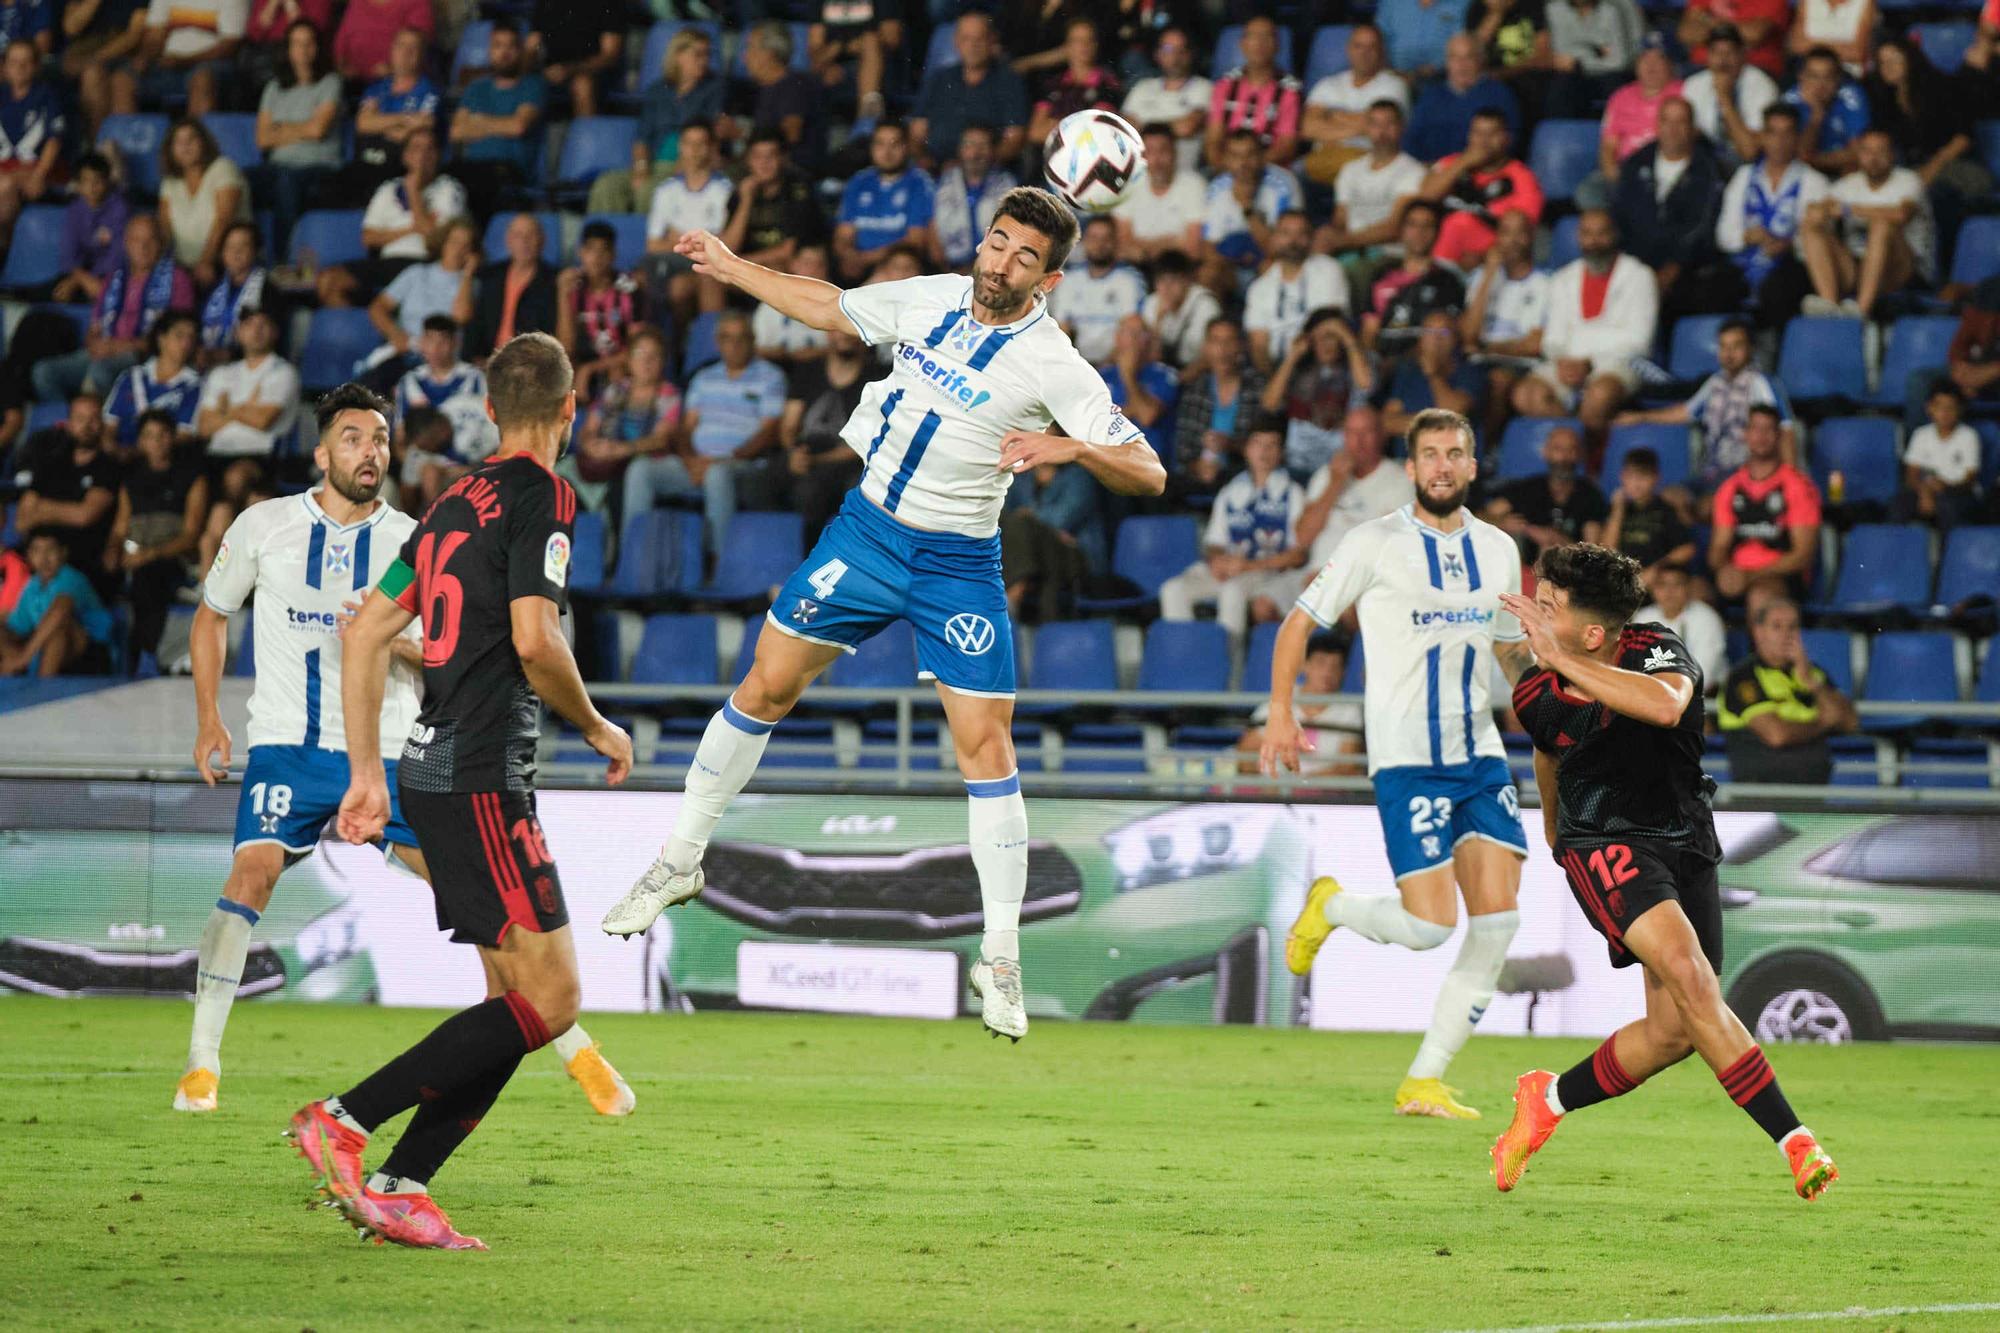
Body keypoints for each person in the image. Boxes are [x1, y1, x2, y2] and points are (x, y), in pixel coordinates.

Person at [600, 189, 1168, 1049]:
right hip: (866, 533)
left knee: (987, 746)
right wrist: (729, 265)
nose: (999, 262)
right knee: (764, 684)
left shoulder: (1056, 364)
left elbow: (1150, 471)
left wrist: (1076, 445)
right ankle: (680, 860)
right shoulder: (931, 295)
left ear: (1047, 280)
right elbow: (829, 306)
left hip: (958, 567)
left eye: (1022, 256)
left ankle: (1002, 955)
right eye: (997, 241)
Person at [306, 348, 638, 1247]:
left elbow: (369, 628)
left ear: (490, 409)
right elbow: (536, 638)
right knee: (555, 996)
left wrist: (367, 773)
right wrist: (599, 725)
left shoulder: (452, 500)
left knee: (510, 1004)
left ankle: (402, 1184)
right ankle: (344, 1117)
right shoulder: (547, 495)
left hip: (430, 767)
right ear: (570, 408)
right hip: (487, 773)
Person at [1495, 544, 1838, 1203]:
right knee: (1689, 973)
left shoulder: (1657, 647)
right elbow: (1548, 758)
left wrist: (1562, 658)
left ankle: (1548, 1098)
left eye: (1549, 608)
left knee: (1675, 1030)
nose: (1534, 617)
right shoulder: (1536, 691)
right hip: (1602, 842)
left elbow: (1663, 706)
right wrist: (1554, 833)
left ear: (1593, 633)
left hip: (1684, 838)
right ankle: (1796, 1142)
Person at [1267, 407, 1531, 1120]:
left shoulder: (1502, 549)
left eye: (1456, 453)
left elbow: (1510, 647)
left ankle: (1424, 1078)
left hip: (1479, 755)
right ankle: (1334, 906)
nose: (1444, 466)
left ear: (1473, 466)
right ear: (1410, 470)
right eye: (1430, 455)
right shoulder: (1373, 542)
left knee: (1500, 922)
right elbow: (1299, 621)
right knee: (1430, 926)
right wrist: (1284, 710)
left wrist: (1549, 698)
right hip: (1408, 761)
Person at [623, 310, 785, 553]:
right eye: (727, 338)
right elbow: (686, 429)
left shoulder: (771, 377)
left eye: (742, 338)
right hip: (697, 465)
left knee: (717, 474)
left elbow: (769, 432)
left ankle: (719, 564)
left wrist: (726, 459)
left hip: (743, 466)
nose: (735, 345)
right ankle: (632, 556)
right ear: (718, 342)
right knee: (641, 470)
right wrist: (690, 461)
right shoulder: (703, 377)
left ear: (753, 340)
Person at [1511, 210, 1657, 441]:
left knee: (1599, 396)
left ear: (1615, 235)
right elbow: (1553, 339)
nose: (1594, 242)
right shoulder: (1563, 278)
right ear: (1578, 237)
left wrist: (1586, 357)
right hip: (1567, 361)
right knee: (1526, 395)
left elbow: (1639, 340)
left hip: (1618, 362)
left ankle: (1589, 460)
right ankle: (1574, 447)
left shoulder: (1639, 276)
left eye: (1602, 234)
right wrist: (1563, 361)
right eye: (1587, 234)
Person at [1159, 422, 1307, 637]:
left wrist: (1249, 565)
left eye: (1272, 445)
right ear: (1247, 449)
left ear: (1281, 453)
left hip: (1267, 572)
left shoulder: (1293, 493)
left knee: (1232, 592)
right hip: (1232, 569)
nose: (1264, 452)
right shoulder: (1230, 491)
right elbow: (1214, 544)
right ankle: (1185, 657)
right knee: (1172, 590)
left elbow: (1297, 556)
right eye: (1258, 444)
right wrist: (1218, 561)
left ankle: (1231, 667)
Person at [1618, 318, 1796, 497]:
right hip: (1710, 472)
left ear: (1750, 348)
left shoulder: (1762, 383)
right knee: (1671, 498)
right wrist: (1641, 416)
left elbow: (1785, 430)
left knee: (1709, 506)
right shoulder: (1715, 382)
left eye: (1736, 346)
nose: (1729, 353)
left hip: (1746, 474)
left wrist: (1790, 484)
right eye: (1724, 346)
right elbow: (1686, 412)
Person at [34, 212, 194, 404]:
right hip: (104, 352)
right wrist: (95, 343)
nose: (143, 247)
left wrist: (121, 346)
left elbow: (180, 337)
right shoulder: (114, 279)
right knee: (44, 372)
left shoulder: (177, 279)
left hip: (144, 356)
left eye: (150, 241)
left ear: (161, 243)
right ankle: (71, 423)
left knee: (100, 371)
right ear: (126, 243)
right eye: (136, 240)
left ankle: (101, 426)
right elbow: (95, 328)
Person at [1715, 594, 1856, 783]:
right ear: (1758, 632)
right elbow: (1776, 735)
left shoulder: (1813, 673)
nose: (1787, 634)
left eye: (1793, 626)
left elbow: (1850, 722)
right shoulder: (1742, 677)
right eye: (1777, 626)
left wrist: (1812, 684)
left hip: (1813, 792)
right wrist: (1822, 723)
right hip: (1761, 795)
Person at [105, 408, 207, 667]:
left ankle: (142, 655)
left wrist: (150, 554)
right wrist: (112, 551)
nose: (157, 442)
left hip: (172, 558)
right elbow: (119, 528)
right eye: (150, 436)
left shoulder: (192, 478)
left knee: (148, 578)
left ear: (172, 438)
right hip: (134, 555)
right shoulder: (131, 480)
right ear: (141, 441)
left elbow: (191, 535)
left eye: (163, 435)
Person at [1610, 96, 1727, 320]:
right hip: (1636, 266)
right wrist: (1634, 271)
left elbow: (1704, 228)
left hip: (1687, 271)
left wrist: (1673, 268)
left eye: (1681, 122)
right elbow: (1619, 218)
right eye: (1666, 121)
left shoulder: (1710, 172)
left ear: (1693, 129)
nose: (1672, 130)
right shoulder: (1635, 164)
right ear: (1657, 125)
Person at [587, 27, 723, 216]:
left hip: (686, 165)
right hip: (653, 165)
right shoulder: (657, 90)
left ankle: (648, 244)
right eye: (698, 54)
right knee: (607, 185)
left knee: (649, 191)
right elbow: (642, 138)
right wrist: (641, 169)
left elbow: (708, 134)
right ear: (679, 55)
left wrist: (684, 167)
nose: (704, 60)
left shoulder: (714, 89)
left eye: (707, 54)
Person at [1799, 127, 1932, 320]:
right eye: (1867, 151)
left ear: (1892, 154)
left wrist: (1848, 210)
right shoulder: (1849, 183)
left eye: (1881, 151)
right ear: (1858, 154)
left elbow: (1901, 214)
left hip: (1903, 270)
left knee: (1881, 226)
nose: (1873, 157)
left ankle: (1861, 312)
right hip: (1858, 269)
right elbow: (1816, 210)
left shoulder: (1909, 180)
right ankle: (1829, 305)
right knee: (1811, 227)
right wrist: (1820, 212)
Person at [194, 303, 296, 545]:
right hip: (215, 454)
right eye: (249, 325)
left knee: (236, 478)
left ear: (275, 332)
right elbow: (204, 427)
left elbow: (263, 421)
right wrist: (245, 409)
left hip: (260, 456)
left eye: (263, 325)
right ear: (238, 332)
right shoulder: (221, 374)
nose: (256, 331)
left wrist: (225, 409)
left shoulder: (283, 372)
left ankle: (219, 537)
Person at [781, 324, 883, 547]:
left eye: (853, 329)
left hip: (851, 463)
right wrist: (793, 452)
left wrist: (816, 461)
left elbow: (866, 443)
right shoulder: (808, 371)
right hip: (804, 456)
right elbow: (789, 426)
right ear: (828, 332)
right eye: (840, 328)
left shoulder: (878, 378)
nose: (845, 335)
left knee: (842, 489)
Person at [564, 324, 680, 514]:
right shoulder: (615, 390)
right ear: (629, 360)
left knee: (621, 485)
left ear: (663, 361)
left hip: (639, 462)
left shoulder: (668, 396)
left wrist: (621, 450)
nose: (646, 361)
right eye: (640, 354)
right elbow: (589, 428)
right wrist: (590, 444)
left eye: (654, 356)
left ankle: (621, 542)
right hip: (604, 457)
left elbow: (661, 440)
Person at [1708, 404, 1820, 600]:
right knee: (1695, 594)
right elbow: (1719, 547)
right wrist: (1724, 569)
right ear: (1746, 434)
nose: (1761, 436)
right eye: (1756, 428)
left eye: (1768, 429)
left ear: (1778, 436)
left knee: (1760, 595)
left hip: (1780, 577)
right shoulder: (1730, 487)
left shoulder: (1797, 486)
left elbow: (1803, 555)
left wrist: (1751, 575)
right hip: (1736, 576)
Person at [252, 18, 341, 257]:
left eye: (308, 43)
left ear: (317, 48)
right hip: (277, 166)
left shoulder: (329, 83)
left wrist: (280, 129)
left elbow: (318, 130)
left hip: (318, 168)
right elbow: (262, 139)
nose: (302, 50)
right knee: (236, 180)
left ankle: (285, 261)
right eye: (296, 43)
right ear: (288, 49)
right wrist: (302, 128)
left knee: (286, 182)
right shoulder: (274, 87)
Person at [1294, 405, 1414, 574]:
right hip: (1313, 573)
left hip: (1363, 577)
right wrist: (1334, 484)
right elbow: (1303, 538)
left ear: (1381, 436)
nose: (1359, 441)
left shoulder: (1400, 480)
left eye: (1367, 432)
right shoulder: (1326, 475)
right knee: (1265, 599)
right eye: (1351, 433)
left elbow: (1394, 549)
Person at [1417, 107, 1543, 268]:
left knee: (1461, 221)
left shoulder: (1523, 179)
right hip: (1433, 256)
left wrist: (1482, 257)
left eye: (1492, 134)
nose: (1484, 141)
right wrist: (1463, 163)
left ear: (1506, 139)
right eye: (1478, 133)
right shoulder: (1452, 163)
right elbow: (1424, 198)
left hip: (1488, 264)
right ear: (1469, 136)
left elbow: (1520, 237)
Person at [14, 395, 117, 588]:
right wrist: (64, 512)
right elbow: (22, 520)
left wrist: (43, 510)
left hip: (83, 561)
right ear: (68, 423)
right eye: (80, 419)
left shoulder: (108, 467)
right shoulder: (51, 462)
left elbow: (84, 516)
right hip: (36, 560)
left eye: (93, 419)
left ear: (102, 423)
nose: (87, 426)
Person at [394, 315, 494, 508]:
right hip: (425, 459)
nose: (436, 349)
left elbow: (491, 426)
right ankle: (411, 528)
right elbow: (400, 439)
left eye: (443, 342)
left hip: (471, 458)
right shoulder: (409, 382)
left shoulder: (475, 378)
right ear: (422, 343)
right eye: (430, 341)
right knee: (422, 470)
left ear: (455, 342)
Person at [1262, 307, 1373, 478]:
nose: (1325, 344)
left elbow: (1366, 386)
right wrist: (1292, 357)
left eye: (1331, 337)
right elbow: (1269, 404)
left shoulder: (1358, 361)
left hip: (1344, 464)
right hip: (1297, 465)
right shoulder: (1297, 367)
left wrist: (1348, 338)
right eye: (1318, 338)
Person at [1237, 628, 1364, 777]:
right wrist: (1269, 786)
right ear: (1305, 665)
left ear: (1343, 672)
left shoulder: (1349, 711)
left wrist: (1301, 786)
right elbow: (1245, 751)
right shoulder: (1281, 698)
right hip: (1271, 790)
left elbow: (1346, 768)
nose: (1327, 673)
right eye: (1320, 663)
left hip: (1321, 794)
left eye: (1335, 666)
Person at [447, 24, 547, 212]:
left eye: (511, 47)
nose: (504, 53)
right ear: (490, 50)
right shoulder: (476, 88)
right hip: (470, 169)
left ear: (520, 50)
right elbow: (456, 131)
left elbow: (518, 126)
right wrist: (501, 124)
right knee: (445, 179)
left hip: (510, 171)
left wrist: (477, 122)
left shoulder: (533, 86)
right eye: (498, 46)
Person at [909, 12, 1027, 169]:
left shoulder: (1009, 81)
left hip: (986, 172)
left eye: (980, 38)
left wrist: (969, 167)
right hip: (936, 170)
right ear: (956, 42)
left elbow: (1014, 140)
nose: (973, 45)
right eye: (966, 39)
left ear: (992, 41)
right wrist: (926, 162)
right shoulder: (939, 79)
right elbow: (917, 133)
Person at [1319, 100, 1427, 269]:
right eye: (1375, 124)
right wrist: (1328, 237)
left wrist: (1344, 241)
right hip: (1348, 250)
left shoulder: (1413, 171)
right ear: (1366, 128)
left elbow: (1394, 227)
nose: (1382, 132)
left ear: (1401, 127)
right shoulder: (1350, 170)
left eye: (1389, 124)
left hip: (1388, 255)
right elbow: (1340, 219)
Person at [643, 119, 732, 322]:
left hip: (708, 265)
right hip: (673, 263)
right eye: (689, 144)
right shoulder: (665, 191)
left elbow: (720, 244)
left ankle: (698, 344)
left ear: (711, 148)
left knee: (684, 286)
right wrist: (696, 240)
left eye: (701, 144)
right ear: (681, 147)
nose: (694, 150)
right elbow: (653, 245)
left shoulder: (725, 190)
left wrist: (677, 237)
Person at [1299, 22, 1409, 188]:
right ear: (1348, 49)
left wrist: (1331, 116)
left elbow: (1380, 128)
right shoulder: (1328, 84)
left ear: (1381, 51)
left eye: (1371, 47)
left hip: (1371, 159)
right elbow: (1307, 128)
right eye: (1358, 46)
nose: (1364, 53)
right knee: (1290, 174)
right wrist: (1361, 125)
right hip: (1323, 160)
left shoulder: (1394, 85)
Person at [1243, 211, 1350, 375]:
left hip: (1317, 367)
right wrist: (1273, 381)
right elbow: (1259, 346)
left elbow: (1328, 326)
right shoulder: (1259, 287)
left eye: (1301, 234)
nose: (1293, 241)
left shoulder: (1328, 269)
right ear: (1274, 239)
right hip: (1277, 371)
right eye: (1285, 233)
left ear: (1311, 238)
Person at [1199, 128, 1303, 290]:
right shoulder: (1217, 189)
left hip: (1270, 262)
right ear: (1226, 159)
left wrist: (1247, 208)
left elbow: (1284, 248)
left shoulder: (1284, 184)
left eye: (1250, 155)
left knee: (1270, 267)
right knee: (1209, 273)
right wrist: (1232, 262)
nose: (1244, 163)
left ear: (1262, 157)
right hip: (1231, 266)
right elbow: (1209, 248)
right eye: (1235, 156)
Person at [0, 527, 114, 675]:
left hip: (92, 653)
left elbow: (61, 609)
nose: (44, 558)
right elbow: (17, 627)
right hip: (40, 654)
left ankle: (42, 692)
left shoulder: (70, 577)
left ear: (63, 553)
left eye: (50, 550)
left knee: (57, 632)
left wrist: (24, 658)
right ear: (29, 555)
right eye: (37, 551)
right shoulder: (33, 585)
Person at [834, 121, 935, 284]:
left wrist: (867, 258)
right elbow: (843, 235)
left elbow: (915, 240)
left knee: (901, 265)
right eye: (880, 144)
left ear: (906, 147)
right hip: (859, 266)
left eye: (894, 144)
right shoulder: (859, 181)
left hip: (896, 265)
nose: (887, 152)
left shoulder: (920, 182)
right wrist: (849, 256)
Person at [1363, 201, 1467, 357]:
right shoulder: (1381, 277)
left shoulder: (1448, 279)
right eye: (1413, 225)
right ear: (1402, 231)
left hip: (1425, 363)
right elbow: (1369, 332)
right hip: (1385, 362)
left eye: (1427, 226)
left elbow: (1449, 332)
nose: (1420, 232)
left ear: (1437, 232)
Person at [1485, 424, 1608, 556]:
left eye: (1571, 449)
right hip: (1526, 570)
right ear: (1545, 452)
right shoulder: (1528, 489)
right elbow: (1480, 517)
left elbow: (1593, 550)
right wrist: (1505, 524)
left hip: (1570, 569)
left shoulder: (1590, 494)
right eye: (1558, 449)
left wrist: (1557, 541)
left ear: (1580, 455)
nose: (1564, 457)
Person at [555, 220, 646, 399]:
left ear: (613, 255)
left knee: (617, 373)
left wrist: (590, 369)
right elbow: (566, 345)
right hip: (581, 361)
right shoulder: (573, 289)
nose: (596, 258)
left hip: (617, 363)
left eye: (603, 251)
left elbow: (637, 348)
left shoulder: (629, 289)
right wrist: (562, 296)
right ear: (581, 253)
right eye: (590, 250)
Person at [1172, 317, 1266, 487]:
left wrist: (1230, 445)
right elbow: (1184, 451)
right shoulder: (1195, 391)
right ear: (1206, 348)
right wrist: (1198, 467)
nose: (1223, 350)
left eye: (1229, 341)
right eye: (1215, 341)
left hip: (1246, 475)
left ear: (1241, 346)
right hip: (1199, 479)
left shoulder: (1257, 389)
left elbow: (1268, 446)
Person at [722, 130, 828, 279]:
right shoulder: (741, 192)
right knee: (706, 278)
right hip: (748, 268)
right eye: (757, 156)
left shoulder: (798, 190)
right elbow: (729, 248)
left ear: (784, 158)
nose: (764, 162)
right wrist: (746, 201)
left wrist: (736, 264)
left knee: (778, 269)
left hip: (786, 267)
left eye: (771, 155)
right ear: (748, 160)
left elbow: (787, 251)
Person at [157, 117, 248, 289]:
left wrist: (206, 261)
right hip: (183, 267)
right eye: (178, 142)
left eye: (192, 139)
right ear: (170, 149)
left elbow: (224, 219)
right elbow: (164, 227)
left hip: (224, 264)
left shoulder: (223, 167)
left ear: (204, 143)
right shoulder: (170, 182)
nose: (185, 146)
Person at [1405, 33, 1519, 166]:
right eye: (1454, 58)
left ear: (1480, 60)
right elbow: (1411, 140)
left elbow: (1509, 142)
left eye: (1468, 57)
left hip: (1480, 172)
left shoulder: (1499, 95)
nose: (1461, 65)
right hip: (1431, 172)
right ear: (1447, 62)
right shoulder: (1431, 94)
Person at [457, 213, 557, 364]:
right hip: (486, 362)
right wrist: (474, 358)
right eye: (518, 235)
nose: (524, 241)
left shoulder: (553, 281)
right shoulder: (490, 276)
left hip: (530, 365)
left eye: (531, 235)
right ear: (508, 240)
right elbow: (474, 321)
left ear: (542, 240)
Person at [1203, 16, 1300, 170]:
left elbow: (1286, 146)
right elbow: (1213, 139)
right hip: (1226, 168)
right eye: (1253, 36)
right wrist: (1222, 164)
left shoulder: (1290, 91)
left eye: (1266, 36)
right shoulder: (1224, 86)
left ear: (1277, 45)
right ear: (1242, 44)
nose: (1259, 43)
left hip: (1269, 169)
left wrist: (1247, 166)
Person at [1680, 22, 1779, 172]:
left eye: (1729, 53)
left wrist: (1724, 98)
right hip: (1705, 166)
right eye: (1716, 53)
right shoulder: (1693, 85)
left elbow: (1750, 152)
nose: (1722, 61)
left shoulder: (1762, 86)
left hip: (1749, 168)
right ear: (1708, 56)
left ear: (1742, 55)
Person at [1052, 215, 1148, 368]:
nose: (1099, 244)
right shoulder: (1069, 280)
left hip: (1117, 365)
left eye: (1106, 238)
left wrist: (1103, 367)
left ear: (1115, 242)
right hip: (1076, 364)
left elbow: (1132, 329)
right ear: (1083, 242)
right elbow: (1061, 329)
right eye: (1094, 238)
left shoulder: (1129, 279)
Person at [123, 0, 243, 121]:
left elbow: (229, 46)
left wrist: (184, 61)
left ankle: (194, 138)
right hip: (168, 63)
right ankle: (125, 138)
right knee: (123, 80)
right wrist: (145, 56)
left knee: (202, 79)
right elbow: (155, 33)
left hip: (211, 64)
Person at [104, 309, 202, 448]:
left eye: (191, 337)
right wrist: (112, 450)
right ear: (161, 338)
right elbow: (110, 426)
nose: (186, 343)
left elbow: (183, 436)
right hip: (119, 455)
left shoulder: (195, 385)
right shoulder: (131, 377)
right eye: (179, 336)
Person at [352, 26, 439, 182]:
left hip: (402, 171)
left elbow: (419, 126)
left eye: (413, 47)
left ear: (422, 55)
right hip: (366, 165)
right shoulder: (376, 88)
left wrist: (379, 123)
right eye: (401, 45)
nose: (406, 52)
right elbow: (363, 123)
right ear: (392, 50)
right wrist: (405, 119)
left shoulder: (429, 91)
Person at [1111, 121, 1204, 267]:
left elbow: (1193, 249)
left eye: (1163, 151)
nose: (1157, 160)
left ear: (1175, 153)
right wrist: (1172, 242)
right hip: (1137, 266)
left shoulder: (1194, 184)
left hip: (1180, 268)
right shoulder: (1128, 185)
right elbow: (1123, 244)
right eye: (1150, 152)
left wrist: (1143, 247)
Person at [1120, 26, 1210, 174]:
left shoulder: (1203, 87)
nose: (1175, 56)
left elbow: (1187, 127)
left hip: (1183, 174)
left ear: (1190, 54)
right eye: (1168, 49)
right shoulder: (1142, 87)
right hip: (1141, 175)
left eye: (1181, 49)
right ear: (1158, 54)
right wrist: (1173, 125)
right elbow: (1125, 129)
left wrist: (1144, 126)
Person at [0, 38, 63, 250]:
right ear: (5, 66)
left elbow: (54, 140)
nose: (19, 67)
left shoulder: (47, 95)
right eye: (14, 62)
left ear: (36, 65)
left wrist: (38, 175)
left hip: (36, 171)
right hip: (4, 173)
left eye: (26, 62)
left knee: (6, 186)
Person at [1893, 383, 1984, 529]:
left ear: (1960, 409)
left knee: (1947, 506)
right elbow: (1911, 475)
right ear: (1930, 408)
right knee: (1900, 504)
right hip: (1924, 489)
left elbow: (1969, 479)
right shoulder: (1921, 435)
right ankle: (1898, 549)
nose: (1945, 413)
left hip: (1957, 493)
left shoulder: (1969, 436)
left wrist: (1944, 487)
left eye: (1950, 408)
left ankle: (1947, 550)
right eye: (1939, 407)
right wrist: (1924, 491)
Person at [1599, 447, 1695, 583]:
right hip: (1621, 580)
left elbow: (1687, 549)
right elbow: (1606, 550)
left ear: (1656, 478)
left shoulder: (1666, 507)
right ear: (1622, 476)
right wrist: (1617, 511)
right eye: (1631, 476)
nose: (1636, 483)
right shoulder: (1616, 508)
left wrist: (1657, 568)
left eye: (1643, 477)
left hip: (1656, 581)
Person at [1598, 36, 1682, 191]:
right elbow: (1608, 144)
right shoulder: (1620, 97)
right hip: (1625, 168)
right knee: (1589, 191)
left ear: (1670, 64)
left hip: (1664, 170)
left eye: (1659, 59)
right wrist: (1613, 172)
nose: (1651, 65)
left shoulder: (1683, 93)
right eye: (1645, 58)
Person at [1381, 311, 1483, 437]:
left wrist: (1433, 374)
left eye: (1444, 332)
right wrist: (1437, 424)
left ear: (1455, 338)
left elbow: (1454, 413)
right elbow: (1388, 422)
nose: (1436, 338)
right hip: (1409, 455)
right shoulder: (1408, 371)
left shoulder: (1469, 370)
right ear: (1421, 339)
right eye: (1429, 331)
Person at [738, 20, 821, 174]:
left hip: (790, 172)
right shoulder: (761, 89)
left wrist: (741, 133)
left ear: (769, 54)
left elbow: (790, 135)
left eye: (750, 48)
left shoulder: (794, 86)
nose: (744, 57)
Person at [1027, 18, 1120, 154]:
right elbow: (1035, 133)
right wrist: (1077, 125)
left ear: (1096, 45)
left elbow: (1098, 130)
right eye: (1077, 40)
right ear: (1067, 46)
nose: (1084, 45)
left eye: (1089, 40)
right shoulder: (1052, 84)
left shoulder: (1107, 83)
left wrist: (1054, 124)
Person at [52, 151, 129, 307]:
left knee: (106, 295)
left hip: (109, 274)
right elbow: (68, 251)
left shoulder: (120, 209)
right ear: (78, 185)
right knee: (57, 292)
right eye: (85, 181)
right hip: (80, 274)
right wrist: (80, 278)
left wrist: (85, 279)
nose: (92, 187)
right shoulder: (74, 210)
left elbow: (118, 255)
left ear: (107, 182)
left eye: (97, 181)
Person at [1545, 0, 1644, 119]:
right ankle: (1564, 134)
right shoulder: (1554, 9)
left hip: (1613, 73)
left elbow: (1619, 61)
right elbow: (1562, 54)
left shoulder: (1613, 9)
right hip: (1576, 73)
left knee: (1617, 88)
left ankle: (1621, 132)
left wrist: (1579, 59)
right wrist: (1596, 51)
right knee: (1559, 89)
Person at [1635, 560, 1727, 687]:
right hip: (1653, 694)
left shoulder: (1706, 618)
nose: (1669, 591)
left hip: (1704, 695)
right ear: (1653, 589)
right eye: (1662, 585)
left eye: (1677, 584)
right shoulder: (1643, 618)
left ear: (1689, 587)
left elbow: (1704, 673)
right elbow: (1635, 666)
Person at [526, 0, 622, 120]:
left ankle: (586, 136)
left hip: (592, 72)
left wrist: (569, 69)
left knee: (582, 84)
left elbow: (609, 55)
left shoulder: (609, 3)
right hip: (551, 71)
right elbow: (532, 45)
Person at [1100, 313, 1178, 459]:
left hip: (1151, 460)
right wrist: (1132, 410)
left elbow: (1146, 416)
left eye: (1140, 334)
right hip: (1110, 459)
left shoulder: (1164, 374)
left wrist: (1128, 376)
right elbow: (1099, 425)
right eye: (1128, 332)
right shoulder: (1102, 376)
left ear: (1148, 341)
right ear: (1117, 338)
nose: (1134, 339)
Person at [1784, 45, 1869, 178]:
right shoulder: (1790, 101)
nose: (1820, 85)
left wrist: (1814, 160)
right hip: (1804, 176)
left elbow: (1859, 152)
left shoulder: (1850, 95)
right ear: (1801, 77)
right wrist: (1816, 116)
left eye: (1827, 77)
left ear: (1838, 78)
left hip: (1842, 171)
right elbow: (1796, 156)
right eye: (1814, 76)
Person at [197, 221, 266, 367]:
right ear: (222, 253)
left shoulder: (268, 290)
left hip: (251, 365)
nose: (236, 252)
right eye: (230, 247)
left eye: (244, 246)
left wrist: (228, 355)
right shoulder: (211, 288)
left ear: (256, 251)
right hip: (209, 365)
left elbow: (268, 338)